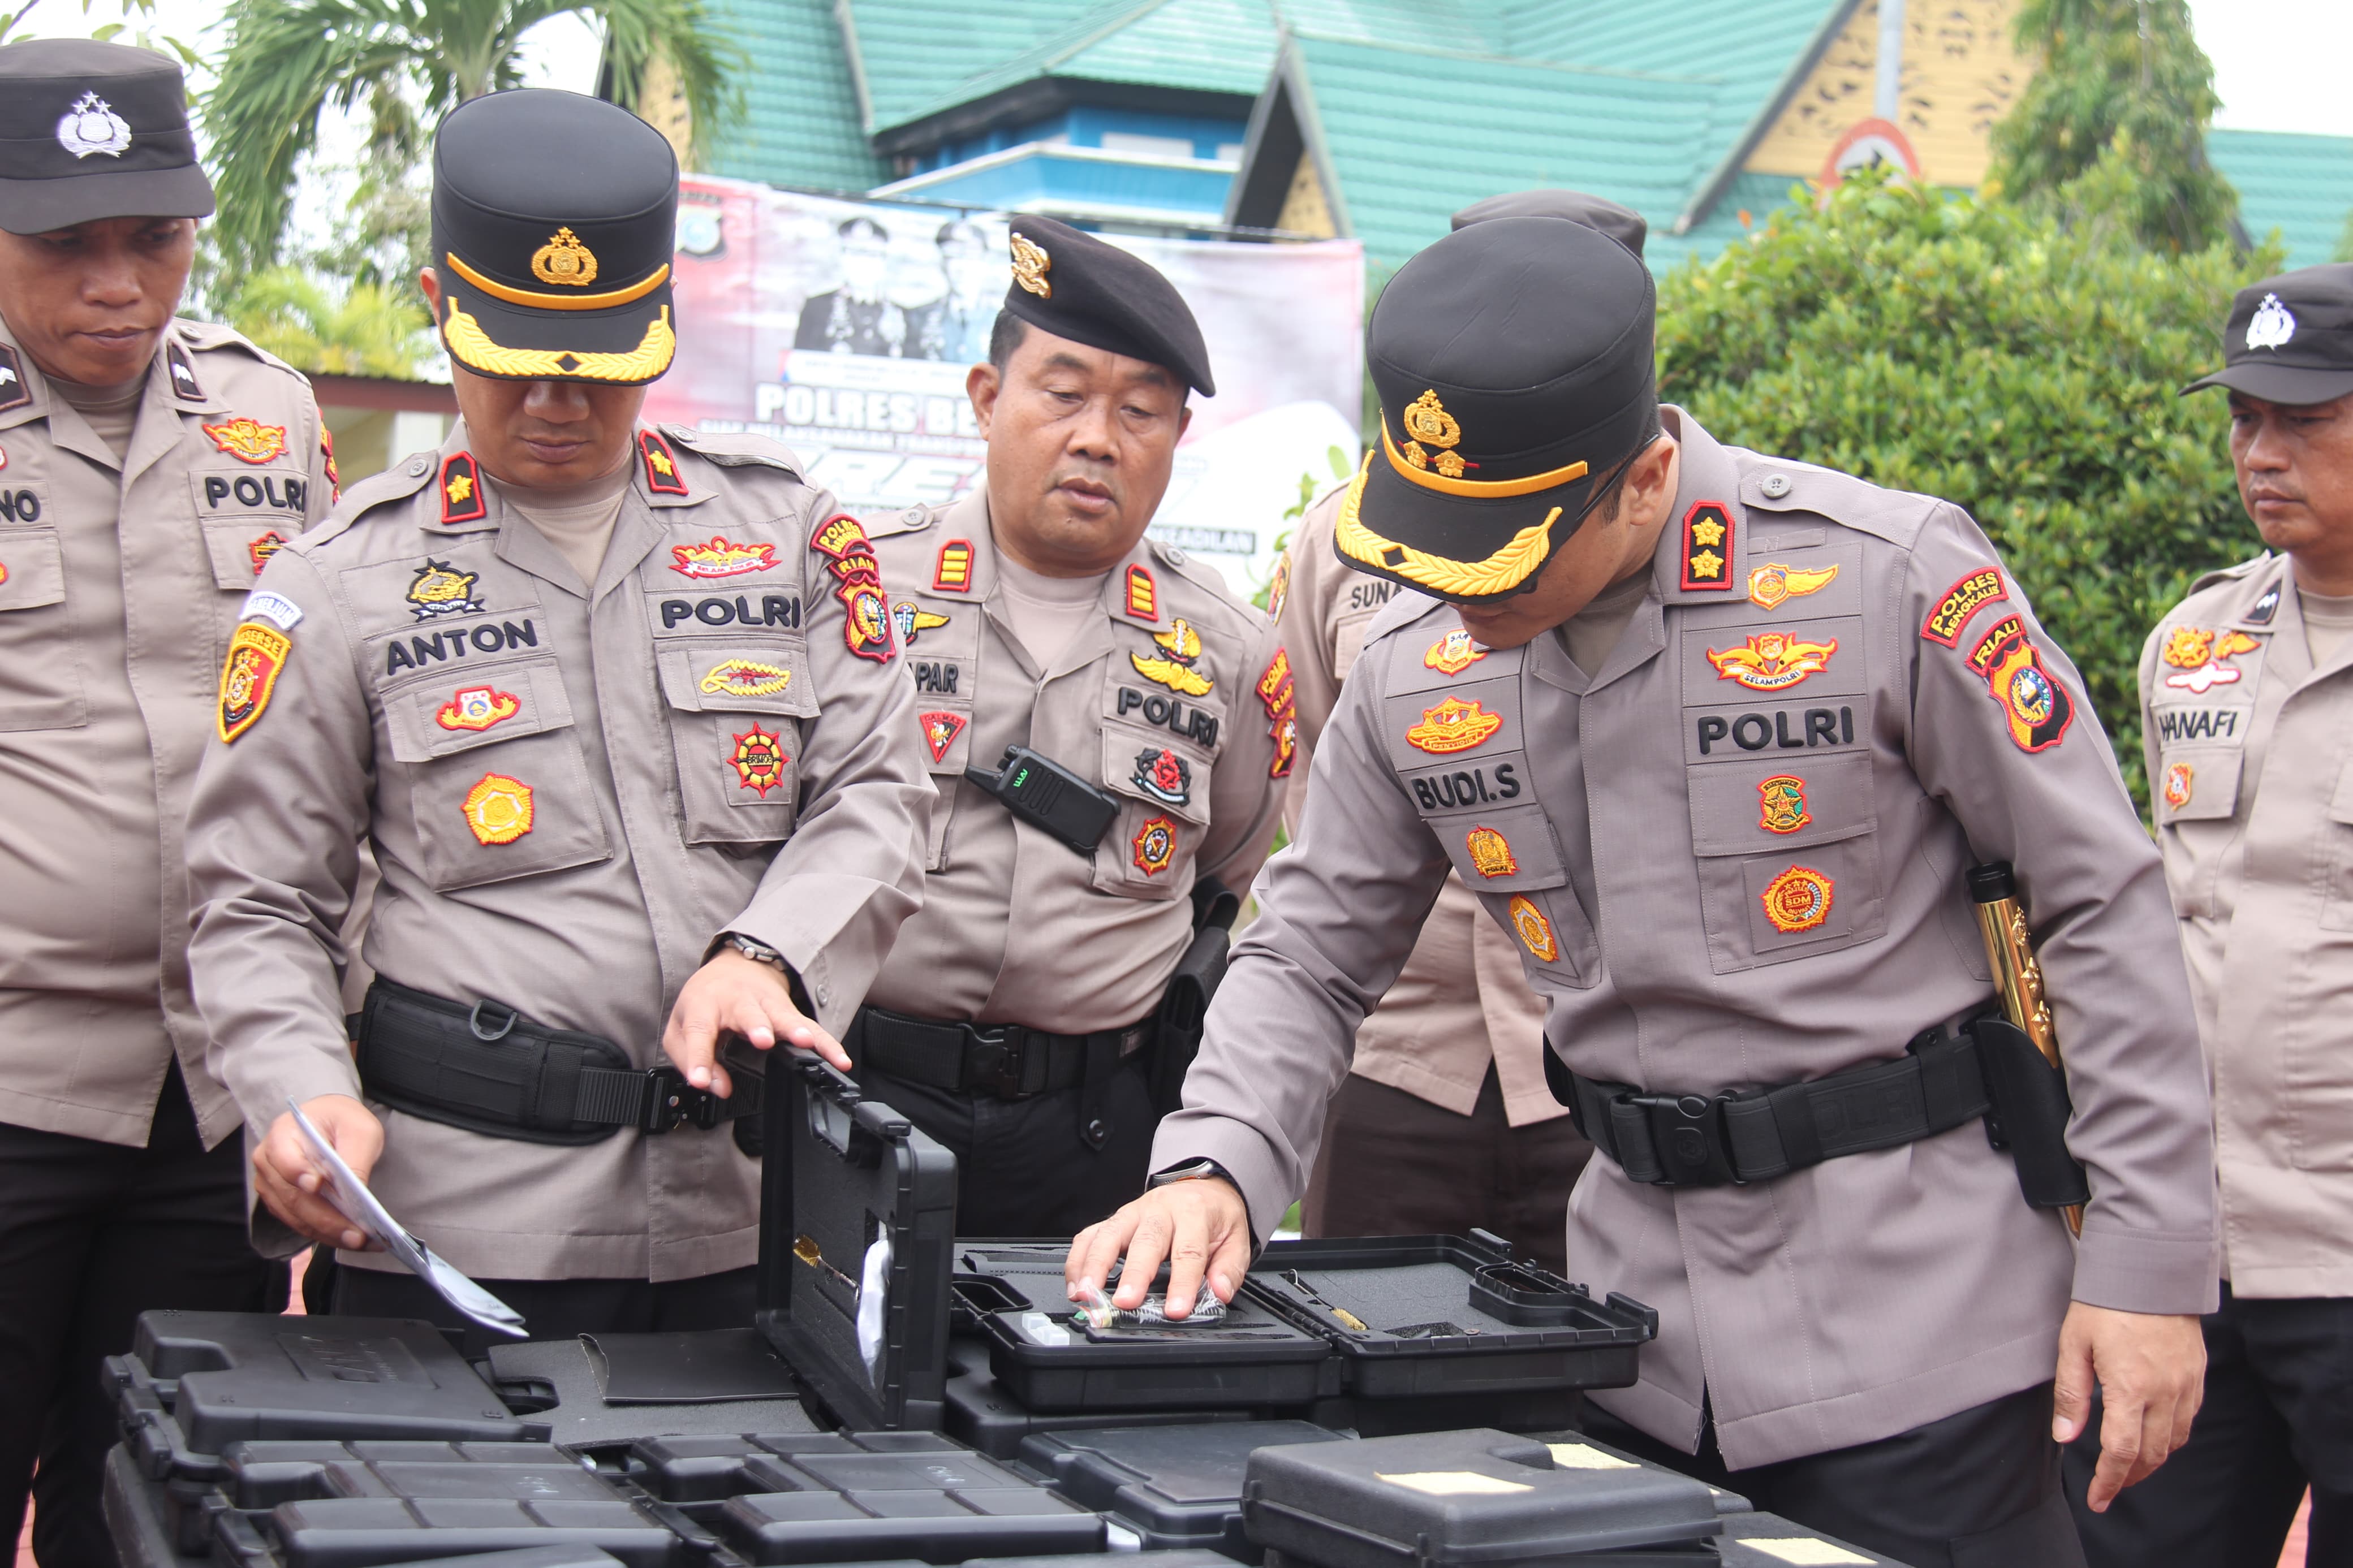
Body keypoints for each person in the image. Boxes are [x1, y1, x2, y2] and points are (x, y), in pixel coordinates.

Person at [1067, 214, 2217, 1565]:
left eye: (1501, 547)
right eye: (1427, 536)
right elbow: (1310, 950)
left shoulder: (1884, 583)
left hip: (1927, 1338)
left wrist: (2146, 1268)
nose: (1453, 583)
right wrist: (1216, 1165)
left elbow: (2098, 902)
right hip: (1629, 1342)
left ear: (1646, 474)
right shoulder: (1415, 668)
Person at [184, 88, 931, 1355]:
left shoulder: (786, 533)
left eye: (594, 368)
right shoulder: (339, 582)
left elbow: (878, 794)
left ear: (658, 327)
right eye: (513, 359)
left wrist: (766, 953)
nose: (553, 405)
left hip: (752, 1220)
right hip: (467, 1229)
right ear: (441, 308)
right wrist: (298, 1090)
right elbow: (257, 898)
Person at [0, 39, 337, 1565]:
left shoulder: (267, 420)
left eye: (154, 237)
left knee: (155, 1504)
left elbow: (337, 729)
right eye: (65, 244)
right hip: (13, 1082)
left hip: (216, 1091)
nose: (118, 284)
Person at [854, 215, 1287, 1236]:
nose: (1098, 436)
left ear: (1177, 438)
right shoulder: (855, 591)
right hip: (860, 1091)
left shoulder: (1229, 647)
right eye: (1063, 394)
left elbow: (1227, 868)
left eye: (1141, 410)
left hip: (1097, 1132)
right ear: (987, 397)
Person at [1279, 191, 1643, 1272]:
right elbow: (1304, 777)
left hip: (1607, 1060)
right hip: (1403, 1054)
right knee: (1359, 1392)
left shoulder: (1666, 533)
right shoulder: (1344, 542)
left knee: (1605, 1404)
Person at [2067, 262, 2353, 1566]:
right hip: (2196, 1259)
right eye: (2244, 418)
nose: (2261, 452)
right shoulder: (2193, 646)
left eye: (2303, 418)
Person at [795, 214, 909, 358]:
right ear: (842, 257)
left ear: (884, 260)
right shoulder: (817, 308)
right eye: (854, 253)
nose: (862, 262)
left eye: (871, 254)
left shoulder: (904, 315)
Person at [913, 219, 1000, 365]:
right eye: (952, 257)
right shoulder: (919, 317)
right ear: (942, 263)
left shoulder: (1004, 321)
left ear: (986, 262)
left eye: (970, 257)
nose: (961, 267)